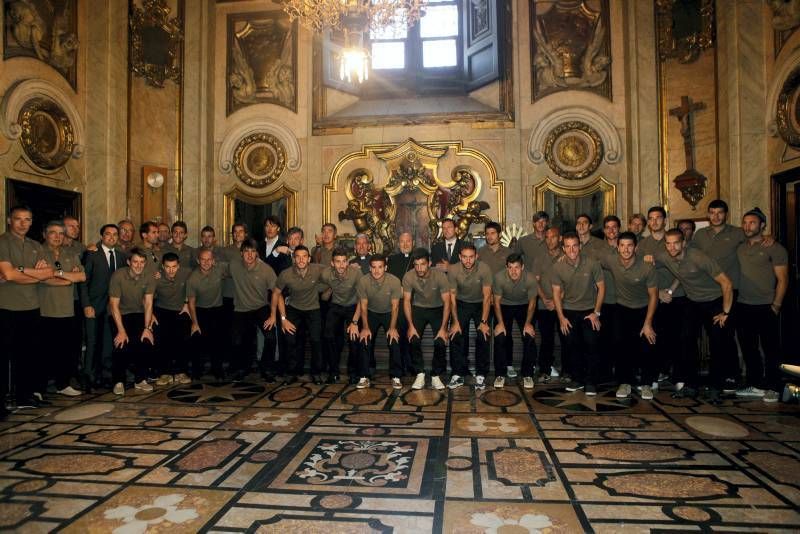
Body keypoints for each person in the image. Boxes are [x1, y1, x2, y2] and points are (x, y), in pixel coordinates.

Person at [658, 229, 734, 402]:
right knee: (686, 341)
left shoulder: (698, 257)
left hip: (714, 301)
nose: (672, 247)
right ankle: (691, 386)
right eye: (668, 243)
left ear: (684, 242)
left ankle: (715, 387)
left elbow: (727, 283)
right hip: (692, 302)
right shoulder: (664, 256)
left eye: (676, 242)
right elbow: (644, 262)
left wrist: (726, 312)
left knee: (717, 344)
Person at [0, 206, 52, 411]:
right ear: (9, 220)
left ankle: (24, 396)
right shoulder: (2, 242)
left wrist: (19, 271)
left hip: (31, 307)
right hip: (6, 307)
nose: (23, 223)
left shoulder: (34, 245)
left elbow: (48, 272)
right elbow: (8, 274)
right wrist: (31, 275)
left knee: (27, 354)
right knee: (3, 357)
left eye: (27, 219)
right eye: (18, 219)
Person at [692, 199, 748, 388]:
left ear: (726, 214)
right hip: (706, 292)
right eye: (712, 212)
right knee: (714, 335)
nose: (715, 216)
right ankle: (715, 376)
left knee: (725, 334)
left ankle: (732, 375)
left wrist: (768, 238)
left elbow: (756, 240)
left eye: (719, 212)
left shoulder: (738, 233)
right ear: (708, 214)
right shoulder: (700, 235)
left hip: (729, 291)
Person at [735, 208, 789, 402]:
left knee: (771, 349)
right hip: (743, 304)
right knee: (749, 348)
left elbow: (783, 279)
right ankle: (756, 384)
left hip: (767, 305)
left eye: (752, 223)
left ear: (762, 225)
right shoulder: (740, 247)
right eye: (745, 222)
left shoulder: (774, 248)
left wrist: (776, 305)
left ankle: (774, 387)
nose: (748, 226)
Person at [599, 232, 658, 400]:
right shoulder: (612, 260)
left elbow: (654, 296)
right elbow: (589, 261)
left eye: (629, 245)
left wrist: (648, 323)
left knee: (647, 344)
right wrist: (563, 259)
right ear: (617, 247)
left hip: (644, 309)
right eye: (622, 246)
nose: (626, 249)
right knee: (620, 344)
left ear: (636, 247)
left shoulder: (647, 266)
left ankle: (646, 384)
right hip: (622, 308)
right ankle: (625, 383)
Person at [552, 232, 605, 396]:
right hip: (568, 310)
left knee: (591, 344)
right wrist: (561, 317)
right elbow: (556, 293)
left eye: (574, 245)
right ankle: (577, 380)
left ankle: (590, 382)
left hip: (589, 311)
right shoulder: (558, 266)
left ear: (580, 246)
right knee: (571, 346)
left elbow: (601, 288)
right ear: (563, 249)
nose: (571, 249)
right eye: (567, 246)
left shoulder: (592, 264)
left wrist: (596, 312)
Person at [38, 220, 86, 397]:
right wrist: (68, 279)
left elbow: (81, 276)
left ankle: (63, 384)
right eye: (53, 232)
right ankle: (38, 388)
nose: (58, 237)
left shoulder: (70, 253)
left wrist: (57, 274)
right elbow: (41, 278)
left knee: (65, 350)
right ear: (45, 234)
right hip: (44, 310)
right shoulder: (38, 252)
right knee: (44, 351)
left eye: (61, 233)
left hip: (67, 310)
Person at [638, 206, 685, 386]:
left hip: (676, 295)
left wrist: (670, 291)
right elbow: (640, 273)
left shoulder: (673, 239)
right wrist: (658, 294)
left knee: (677, 338)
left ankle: (679, 378)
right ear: (648, 222)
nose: (654, 221)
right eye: (651, 218)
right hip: (653, 297)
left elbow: (684, 269)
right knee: (652, 338)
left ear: (665, 220)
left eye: (658, 218)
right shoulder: (642, 245)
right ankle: (653, 376)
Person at [268, 245, 325, 384]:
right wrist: (280, 317)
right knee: (290, 339)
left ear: (309, 258)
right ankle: (291, 372)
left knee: (316, 340)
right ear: (293, 259)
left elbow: (336, 270)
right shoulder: (285, 274)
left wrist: (350, 267)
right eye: (298, 257)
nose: (301, 259)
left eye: (304, 256)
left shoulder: (318, 269)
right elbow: (276, 293)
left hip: (313, 308)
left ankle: (316, 372)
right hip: (294, 308)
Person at [81, 224, 126, 390]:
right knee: (92, 342)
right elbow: (83, 282)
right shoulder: (92, 254)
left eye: (115, 234)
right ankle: (89, 378)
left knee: (108, 343)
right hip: (94, 305)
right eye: (108, 234)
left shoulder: (121, 256)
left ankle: (106, 376)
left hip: (113, 307)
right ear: (102, 236)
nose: (112, 237)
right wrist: (86, 304)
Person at [108, 247, 156, 395]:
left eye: (142, 262)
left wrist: (147, 328)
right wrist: (121, 331)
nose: (139, 265)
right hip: (119, 314)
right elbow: (113, 305)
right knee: (121, 343)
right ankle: (118, 381)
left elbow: (148, 304)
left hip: (138, 312)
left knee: (144, 341)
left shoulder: (148, 277)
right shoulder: (118, 276)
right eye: (135, 262)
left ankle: (140, 379)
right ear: (129, 262)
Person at [229, 238, 278, 380]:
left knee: (270, 336)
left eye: (253, 251)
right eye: (246, 251)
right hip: (241, 309)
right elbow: (216, 268)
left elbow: (276, 292)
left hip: (260, 307)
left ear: (257, 253)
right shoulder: (234, 265)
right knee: (238, 340)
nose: (249, 255)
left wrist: (274, 315)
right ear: (241, 253)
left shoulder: (266, 270)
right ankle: (243, 368)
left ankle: (266, 368)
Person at [403, 248, 451, 390]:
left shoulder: (440, 276)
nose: (419, 268)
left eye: (422, 264)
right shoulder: (409, 276)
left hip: (437, 308)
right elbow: (406, 301)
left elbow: (447, 302)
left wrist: (443, 328)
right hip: (419, 308)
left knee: (441, 341)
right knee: (413, 338)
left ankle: (436, 375)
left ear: (429, 263)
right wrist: (410, 325)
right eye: (416, 265)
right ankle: (420, 373)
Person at [448, 243, 493, 389]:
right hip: (461, 303)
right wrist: (455, 321)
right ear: (460, 257)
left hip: (481, 303)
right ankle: (458, 374)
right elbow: (452, 298)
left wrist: (484, 321)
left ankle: (481, 375)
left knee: (483, 334)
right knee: (456, 333)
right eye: (465, 257)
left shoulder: (484, 268)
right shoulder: (453, 270)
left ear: (476, 257)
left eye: (471, 257)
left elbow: (487, 297)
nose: (468, 261)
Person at [492, 253, 538, 389]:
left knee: (529, 336)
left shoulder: (530, 279)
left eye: (517, 267)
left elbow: (532, 304)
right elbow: (496, 302)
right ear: (506, 267)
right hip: (504, 305)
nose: (513, 271)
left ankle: (527, 374)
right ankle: (500, 374)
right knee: (500, 336)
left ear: (522, 267)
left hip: (524, 306)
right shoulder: (499, 278)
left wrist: (528, 323)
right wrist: (500, 323)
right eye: (510, 267)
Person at [357, 254, 403, 389]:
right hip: (371, 312)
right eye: (374, 267)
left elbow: (395, 307)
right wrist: (365, 327)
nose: (377, 271)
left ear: (386, 268)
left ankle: (396, 376)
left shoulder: (394, 281)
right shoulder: (363, 281)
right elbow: (363, 307)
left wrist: (393, 328)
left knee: (394, 339)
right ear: (370, 268)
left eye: (380, 267)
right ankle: (365, 375)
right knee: (365, 339)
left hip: (389, 312)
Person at [320, 248, 362, 383]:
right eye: (338, 262)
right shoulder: (326, 274)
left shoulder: (356, 273)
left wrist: (355, 322)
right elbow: (324, 297)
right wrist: (330, 288)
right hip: (336, 305)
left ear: (348, 262)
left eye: (344, 261)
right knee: (328, 335)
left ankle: (353, 372)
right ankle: (334, 372)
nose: (341, 265)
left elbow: (362, 299)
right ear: (332, 263)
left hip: (353, 305)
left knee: (354, 339)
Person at [532, 227, 568, 382]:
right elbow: (536, 281)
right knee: (546, 339)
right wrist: (545, 299)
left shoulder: (568, 256)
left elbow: (569, 282)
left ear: (560, 238)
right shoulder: (539, 258)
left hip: (564, 305)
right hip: (544, 305)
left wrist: (557, 300)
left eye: (553, 237)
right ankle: (544, 370)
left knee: (566, 338)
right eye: (547, 237)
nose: (550, 240)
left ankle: (567, 371)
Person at [187, 248, 228, 379]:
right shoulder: (192, 278)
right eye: (203, 259)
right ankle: (196, 370)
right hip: (200, 310)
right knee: (197, 340)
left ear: (213, 261)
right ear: (198, 261)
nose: (206, 262)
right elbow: (191, 303)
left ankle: (218, 369)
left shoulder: (220, 269)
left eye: (209, 259)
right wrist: (194, 323)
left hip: (218, 309)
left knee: (218, 342)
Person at [153, 252, 192, 386]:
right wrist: (151, 312)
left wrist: (186, 303)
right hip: (162, 310)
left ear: (178, 266)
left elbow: (193, 287)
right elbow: (148, 295)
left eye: (174, 267)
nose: (171, 270)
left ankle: (181, 371)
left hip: (181, 310)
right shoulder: (156, 277)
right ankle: (165, 373)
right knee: (163, 342)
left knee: (182, 341)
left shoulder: (187, 273)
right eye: (168, 267)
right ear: (163, 267)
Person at [388, 231, 415, 376]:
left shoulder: (417, 259)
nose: (405, 244)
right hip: (397, 303)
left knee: (411, 336)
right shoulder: (392, 260)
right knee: (397, 335)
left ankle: (411, 365)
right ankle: (397, 369)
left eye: (408, 241)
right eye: (402, 242)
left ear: (413, 243)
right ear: (398, 244)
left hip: (413, 304)